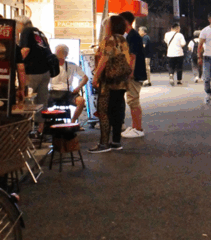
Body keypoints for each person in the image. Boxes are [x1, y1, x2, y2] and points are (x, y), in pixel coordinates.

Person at [90, 15, 131, 153]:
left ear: (111, 26)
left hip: (108, 81)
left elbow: (104, 59)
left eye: (106, 24)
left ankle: (103, 144)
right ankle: (116, 141)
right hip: (121, 81)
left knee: (104, 111)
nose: (105, 27)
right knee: (117, 110)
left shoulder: (109, 40)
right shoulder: (123, 39)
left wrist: (95, 76)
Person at [18, 16, 55, 134]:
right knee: (42, 102)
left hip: (33, 72)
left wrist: (16, 62)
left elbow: (25, 50)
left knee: (27, 101)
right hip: (46, 72)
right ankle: (41, 130)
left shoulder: (26, 31)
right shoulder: (40, 33)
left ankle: (26, 131)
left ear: (21, 24)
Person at [118, 11, 147, 138]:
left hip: (135, 74)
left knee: (133, 100)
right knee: (132, 100)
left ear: (125, 21)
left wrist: (130, 72)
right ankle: (135, 126)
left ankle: (138, 128)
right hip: (135, 72)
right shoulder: (131, 35)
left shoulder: (132, 36)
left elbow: (132, 56)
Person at [49, 44, 88, 123]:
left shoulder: (71, 65)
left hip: (68, 93)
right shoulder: (50, 66)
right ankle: (46, 122)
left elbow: (85, 78)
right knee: (41, 101)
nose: (57, 55)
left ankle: (73, 122)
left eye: (60, 53)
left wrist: (78, 87)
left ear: (66, 54)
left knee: (81, 101)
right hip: (52, 92)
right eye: (57, 53)